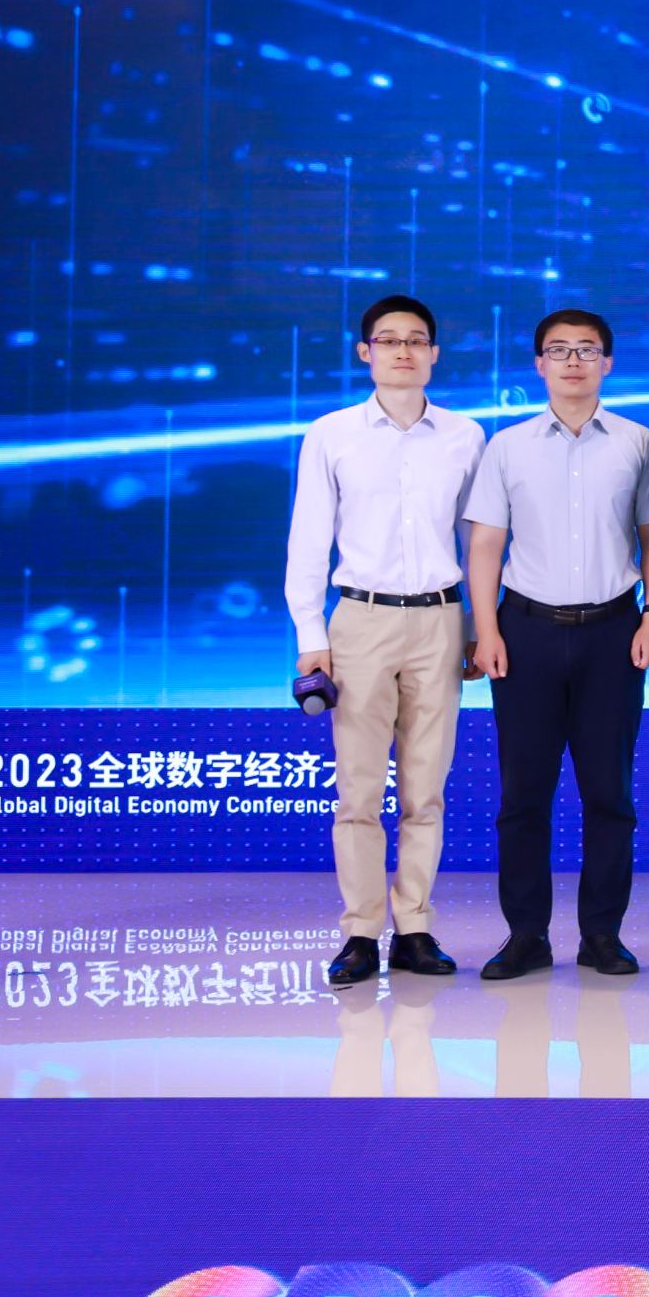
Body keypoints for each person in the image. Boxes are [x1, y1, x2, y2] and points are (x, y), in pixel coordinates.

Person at [285, 293, 485, 987]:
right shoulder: (332, 433)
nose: (404, 350)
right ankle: (361, 933)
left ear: (434, 354)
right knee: (359, 791)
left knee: (426, 789)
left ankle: (416, 928)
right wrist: (310, 633)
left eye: (417, 339)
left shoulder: (465, 435)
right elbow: (308, 538)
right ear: (365, 352)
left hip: (440, 620)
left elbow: (478, 541)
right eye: (389, 339)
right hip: (360, 621)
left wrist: (479, 626)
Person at [463, 309, 649, 983]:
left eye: (586, 349)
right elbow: (486, 544)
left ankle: (602, 934)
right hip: (525, 633)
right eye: (559, 350)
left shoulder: (639, 442)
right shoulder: (508, 446)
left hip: (614, 631)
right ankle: (526, 934)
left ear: (607, 362)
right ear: (539, 364)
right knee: (524, 794)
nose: (573, 361)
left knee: (610, 793)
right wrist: (487, 630)